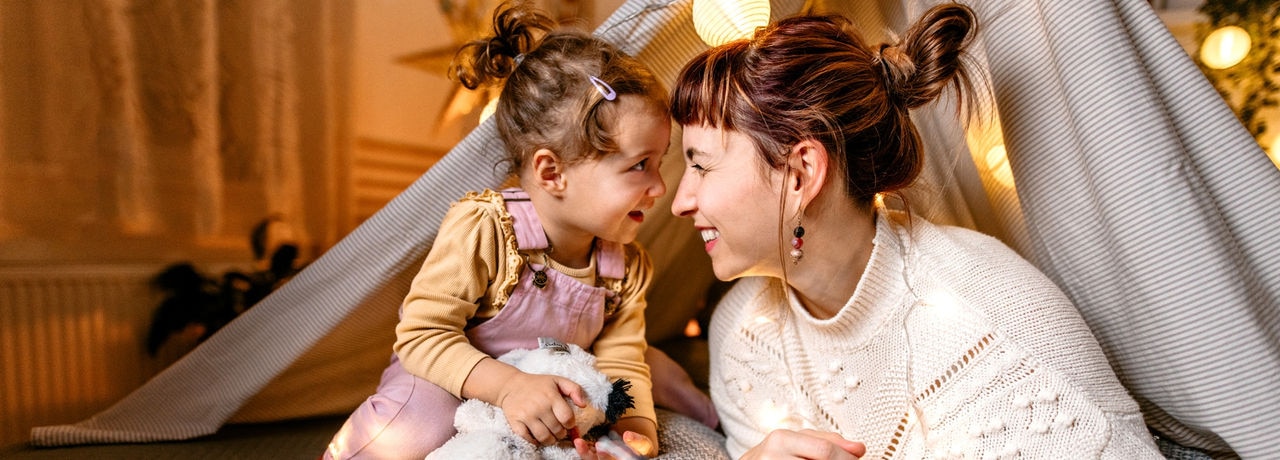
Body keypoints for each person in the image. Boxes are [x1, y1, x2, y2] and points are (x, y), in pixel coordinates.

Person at [666, 4, 1165, 459]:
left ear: (800, 174)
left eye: (702, 166)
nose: (680, 202)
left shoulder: (998, 320)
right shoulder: (742, 332)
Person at [324, 3, 668, 458]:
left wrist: (631, 428)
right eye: (640, 166)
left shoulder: (624, 268)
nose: (660, 187)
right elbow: (422, 335)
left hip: (545, 390)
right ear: (552, 173)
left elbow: (622, 361)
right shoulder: (487, 228)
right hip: (453, 375)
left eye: (660, 164)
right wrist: (506, 386)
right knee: (414, 427)